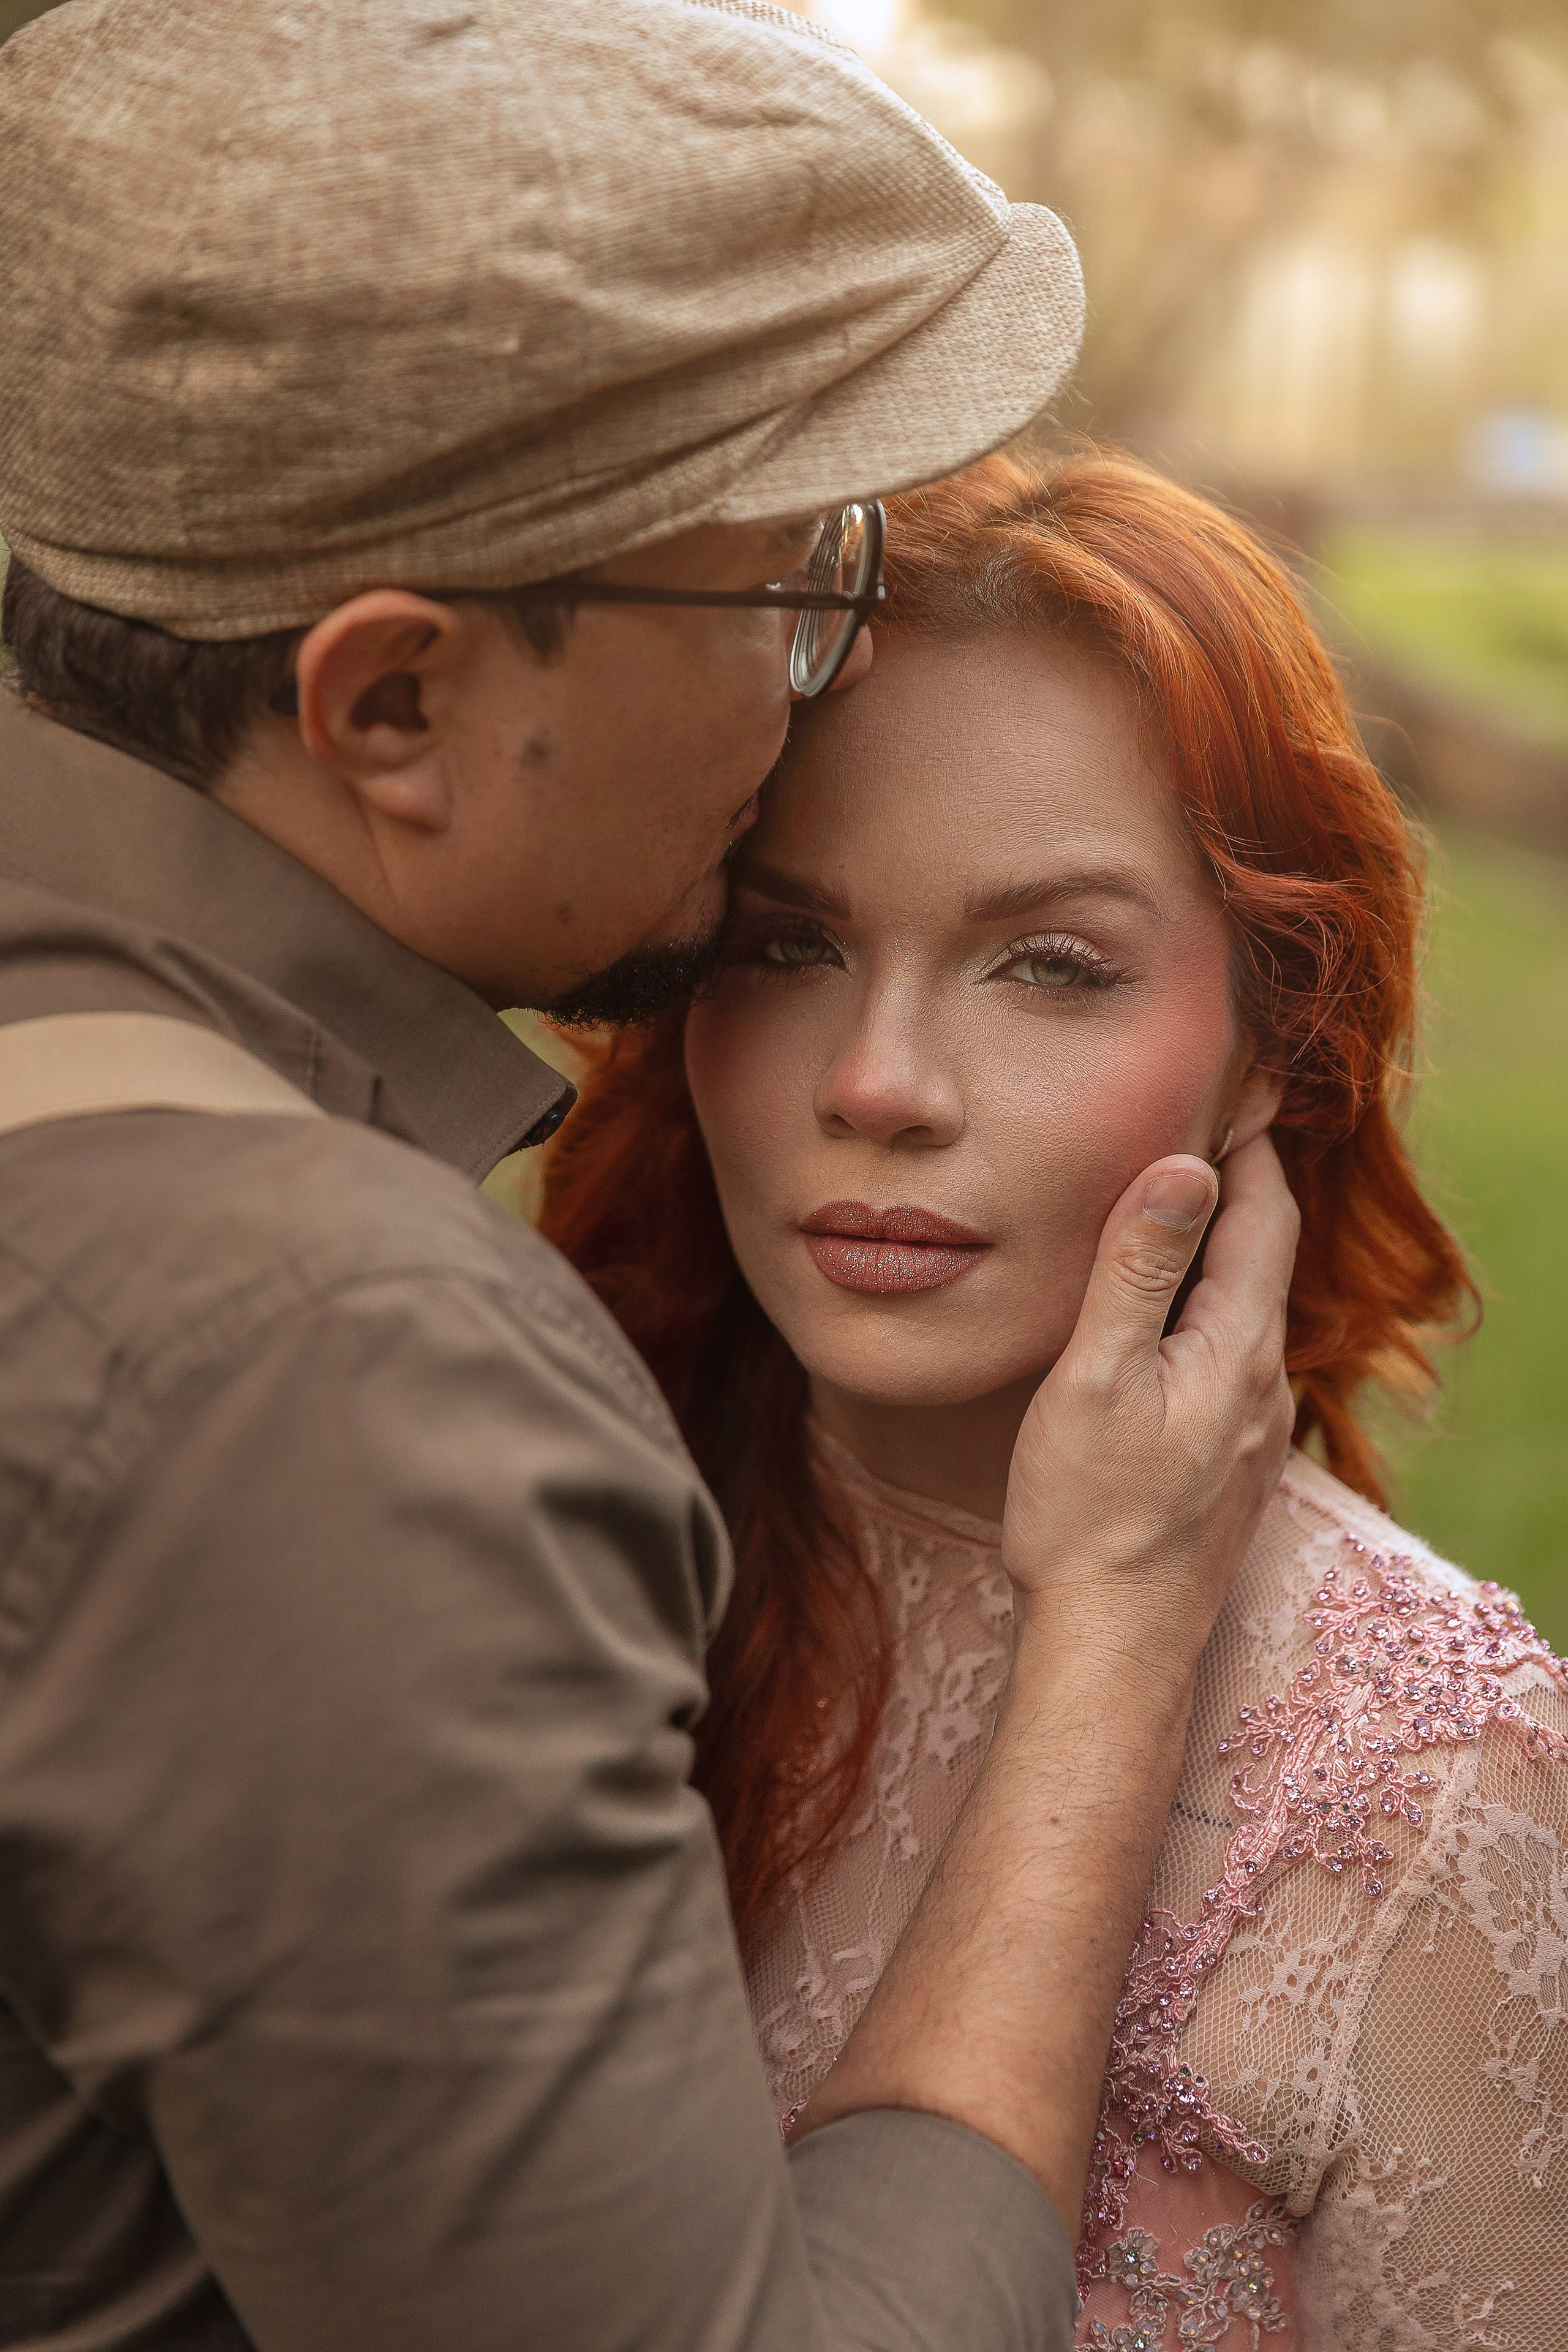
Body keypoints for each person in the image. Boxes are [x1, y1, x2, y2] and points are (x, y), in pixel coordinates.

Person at [0, 6, 1306, 2349]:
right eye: (779, 590)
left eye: (1046, 961)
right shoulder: (329, 1371)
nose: (815, 682)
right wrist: (1113, 1632)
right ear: (389, 705)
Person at [538, 449, 1568, 2350]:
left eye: (1051, 965)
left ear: (1274, 1043)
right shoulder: (521, 1530)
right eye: (790, 942)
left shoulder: (1435, 1780)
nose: (881, 1079)